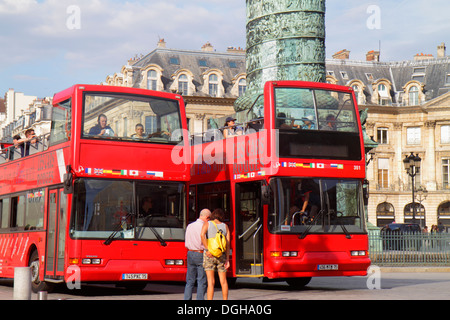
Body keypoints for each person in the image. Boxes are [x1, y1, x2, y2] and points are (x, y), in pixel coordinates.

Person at [201, 208, 230, 300]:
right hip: (221, 255)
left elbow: (202, 235)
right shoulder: (225, 226)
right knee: (224, 281)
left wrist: (207, 249)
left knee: (211, 282)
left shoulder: (208, 224)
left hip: (210, 255)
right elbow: (228, 243)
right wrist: (227, 259)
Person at [184, 208, 211, 300]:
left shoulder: (189, 226)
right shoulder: (204, 226)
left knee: (190, 280)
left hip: (190, 253)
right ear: (207, 217)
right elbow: (205, 240)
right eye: (209, 218)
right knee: (201, 280)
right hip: (200, 254)